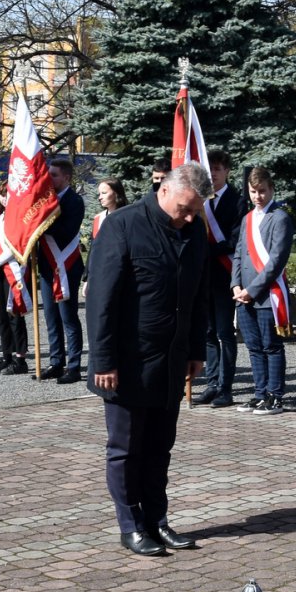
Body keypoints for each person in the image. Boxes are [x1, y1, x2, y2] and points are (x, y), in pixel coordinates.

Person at [87, 163, 211, 557]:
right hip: (126, 362)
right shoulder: (122, 226)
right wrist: (103, 360)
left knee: (160, 447)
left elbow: (196, 296)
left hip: (171, 360)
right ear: (164, 191)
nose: (189, 217)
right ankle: (131, 524)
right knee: (126, 448)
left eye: (195, 211)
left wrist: (195, 350)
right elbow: (101, 301)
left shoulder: (193, 231)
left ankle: (158, 520)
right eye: (185, 208)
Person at [231, 168, 294, 416]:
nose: (258, 196)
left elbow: (276, 260)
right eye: (253, 192)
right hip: (243, 293)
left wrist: (252, 289)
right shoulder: (247, 219)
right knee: (254, 347)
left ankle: (275, 396)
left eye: (262, 191)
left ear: (272, 189)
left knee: (271, 346)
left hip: (267, 294)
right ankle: (260, 394)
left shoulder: (280, 218)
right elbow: (238, 253)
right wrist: (235, 285)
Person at [195, 150, 246, 407]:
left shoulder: (237, 201)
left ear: (227, 171)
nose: (213, 174)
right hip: (203, 276)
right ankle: (212, 383)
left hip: (225, 274)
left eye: (217, 169)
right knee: (208, 331)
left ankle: (226, 387)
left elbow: (234, 241)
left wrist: (205, 250)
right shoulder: (201, 200)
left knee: (225, 332)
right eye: (209, 169)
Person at [37, 158, 86, 384]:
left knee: (68, 317)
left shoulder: (74, 201)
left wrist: (42, 223)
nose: (50, 178)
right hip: (47, 265)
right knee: (50, 317)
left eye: (54, 175)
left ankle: (74, 366)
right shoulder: (45, 200)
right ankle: (56, 362)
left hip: (67, 265)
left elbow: (67, 231)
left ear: (66, 177)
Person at [0, 187, 29, 375]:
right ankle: (6, 355)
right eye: (1, 194)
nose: (4, 197)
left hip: (10, 265)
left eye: (8, 193)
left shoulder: (19, 216)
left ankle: (20, 359)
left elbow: (16, 244)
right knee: (0, 314)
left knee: (14, 314)